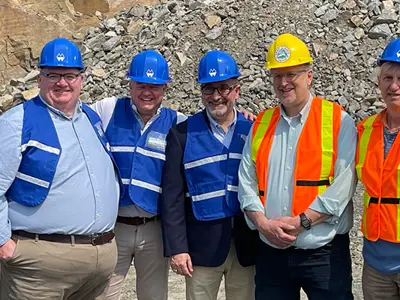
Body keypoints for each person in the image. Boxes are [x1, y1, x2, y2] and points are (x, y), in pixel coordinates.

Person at [238, 33, 357, 300]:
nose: (284, 82)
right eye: (277, 76)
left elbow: (344, 184)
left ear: (309, 76)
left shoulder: (338, 120)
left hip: (323, 253)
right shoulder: (261, 123)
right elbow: (246, 180)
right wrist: (262, 223)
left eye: (291, 74)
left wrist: (301, 222)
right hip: (271, 253)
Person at [0, 38, 119, 300]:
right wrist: (3, 243)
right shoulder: (15, 122)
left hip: (98, 263)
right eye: (52, 74)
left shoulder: (91, 118)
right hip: (39, 269)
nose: (62, 82)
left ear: (81, 79)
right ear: (39, 79)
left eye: (69, 75)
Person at [160, 50, 258, 300]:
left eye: (223, 88)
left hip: (247, 247)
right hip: (201, 249)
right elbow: (172, 197)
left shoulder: (256, 130)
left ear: (236, 90)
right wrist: (177, 248)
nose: (216, 97)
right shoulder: (181, 135)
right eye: (208, 89)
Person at [91, 50, 186, 300]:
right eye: (140, 84)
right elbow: (71, 116)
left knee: (154, 296)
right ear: (130, 85)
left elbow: (212, 126)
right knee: (103, 294)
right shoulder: (108, 110)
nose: (147, 92)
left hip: (154, 228)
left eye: (154, 86)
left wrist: (244, 118)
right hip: (114, 227)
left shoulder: (178, 122)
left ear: (165, 88)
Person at [357, 38, 400, 300]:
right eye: (387, 77)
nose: (394, 86)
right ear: (378, 83)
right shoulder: (365, 130)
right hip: (375, 265)